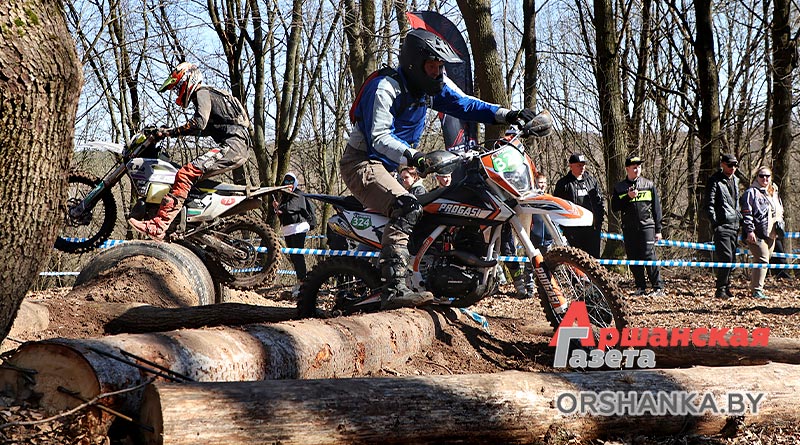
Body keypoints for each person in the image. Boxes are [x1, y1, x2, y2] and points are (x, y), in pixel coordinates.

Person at [341, 28, 536, 309]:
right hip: (363, 163)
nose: (437, 72)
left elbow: (466, 104)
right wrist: (416, 157)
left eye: (440, 66)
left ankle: (433, 276)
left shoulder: (431, 88)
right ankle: (394, 289)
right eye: (432, 66)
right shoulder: (385, 87)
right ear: (414, 63)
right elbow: (379, 137)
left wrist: (509, 114)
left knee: (444, 207)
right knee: (406, 207)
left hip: (395, 165)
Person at [129, 62, 252, 240]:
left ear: (188, 79)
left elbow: (198, 123)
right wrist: (170, 132)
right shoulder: (213, 96)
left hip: (233, 145)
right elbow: (202, 129)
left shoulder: (202, 92)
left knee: (185, 174)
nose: (177, 92)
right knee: (191, 177)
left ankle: (159, 224)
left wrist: (170, 132)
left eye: (178, 87)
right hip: (238, 144)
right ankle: (190, 219)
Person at [611, 155, 665, 297]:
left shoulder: (649, 185)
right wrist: (628, 197)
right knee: (633, 257)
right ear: (627, 169)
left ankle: (658, 287)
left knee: (649, 255)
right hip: (629, 228)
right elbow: (614, 207)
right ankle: (640, 287)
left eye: (639, 167)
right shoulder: (619, 187)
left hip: (647, 226)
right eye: (634, 167)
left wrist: (658, 229)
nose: (637, 169)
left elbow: (657, 209)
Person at [501, 173, 552, 299]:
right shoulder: (529, 199)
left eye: (544, 183)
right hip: (533, 237)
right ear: (534, 183)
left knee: (547, 266)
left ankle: (546, 290)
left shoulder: (549, 198)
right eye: (540, 182)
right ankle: (528, 287)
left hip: (547, 239)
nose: (542, 185)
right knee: (530, 265)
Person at [740, 166, 784, 299]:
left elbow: (779, 211)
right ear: (757, 177)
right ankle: (757, 290)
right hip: (756, 232)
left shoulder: (773, 192)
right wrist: (750, 231)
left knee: (764, 261)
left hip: (771, 233)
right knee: (762, 259)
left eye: (767, 176)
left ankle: (756, 288)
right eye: (761, 176)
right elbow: (746, 213)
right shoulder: (751, 193)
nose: (765, 178)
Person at [553, 153, 605, 257]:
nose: (582, 168)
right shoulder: (563, 184)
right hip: (573, 228)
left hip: (591, 228)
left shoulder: (592, 181)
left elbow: (599, 202)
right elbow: (557, 205)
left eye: (583, 165)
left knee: (593, 257)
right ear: (571, 166)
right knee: (576, 258)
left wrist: (599, 221)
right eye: (579, 165)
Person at [704, 153, 741, 299]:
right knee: (726, 258)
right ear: (723, 164)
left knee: (732, 260)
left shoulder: (735, 180)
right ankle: (720, 289)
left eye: (735, 165)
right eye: (730, 165)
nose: (733, 168)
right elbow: (709, 204)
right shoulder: (715, 181)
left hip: (734, 225)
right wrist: (715, 224)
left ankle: (726, 287)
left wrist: (740, 219)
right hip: (722, 225)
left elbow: (736, 203)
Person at [273, 173, 317, 294]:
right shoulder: (284, 197)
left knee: (298, 256)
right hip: (288, 229)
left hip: (299, 228)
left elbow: (290, 208)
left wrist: (279, 207)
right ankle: (300, 280)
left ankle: (303, 282)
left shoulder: (298, 194)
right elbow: (282, 213)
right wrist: (277, 208)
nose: (288, 185)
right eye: (286, 183)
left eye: (291, 183)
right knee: (293, 256)